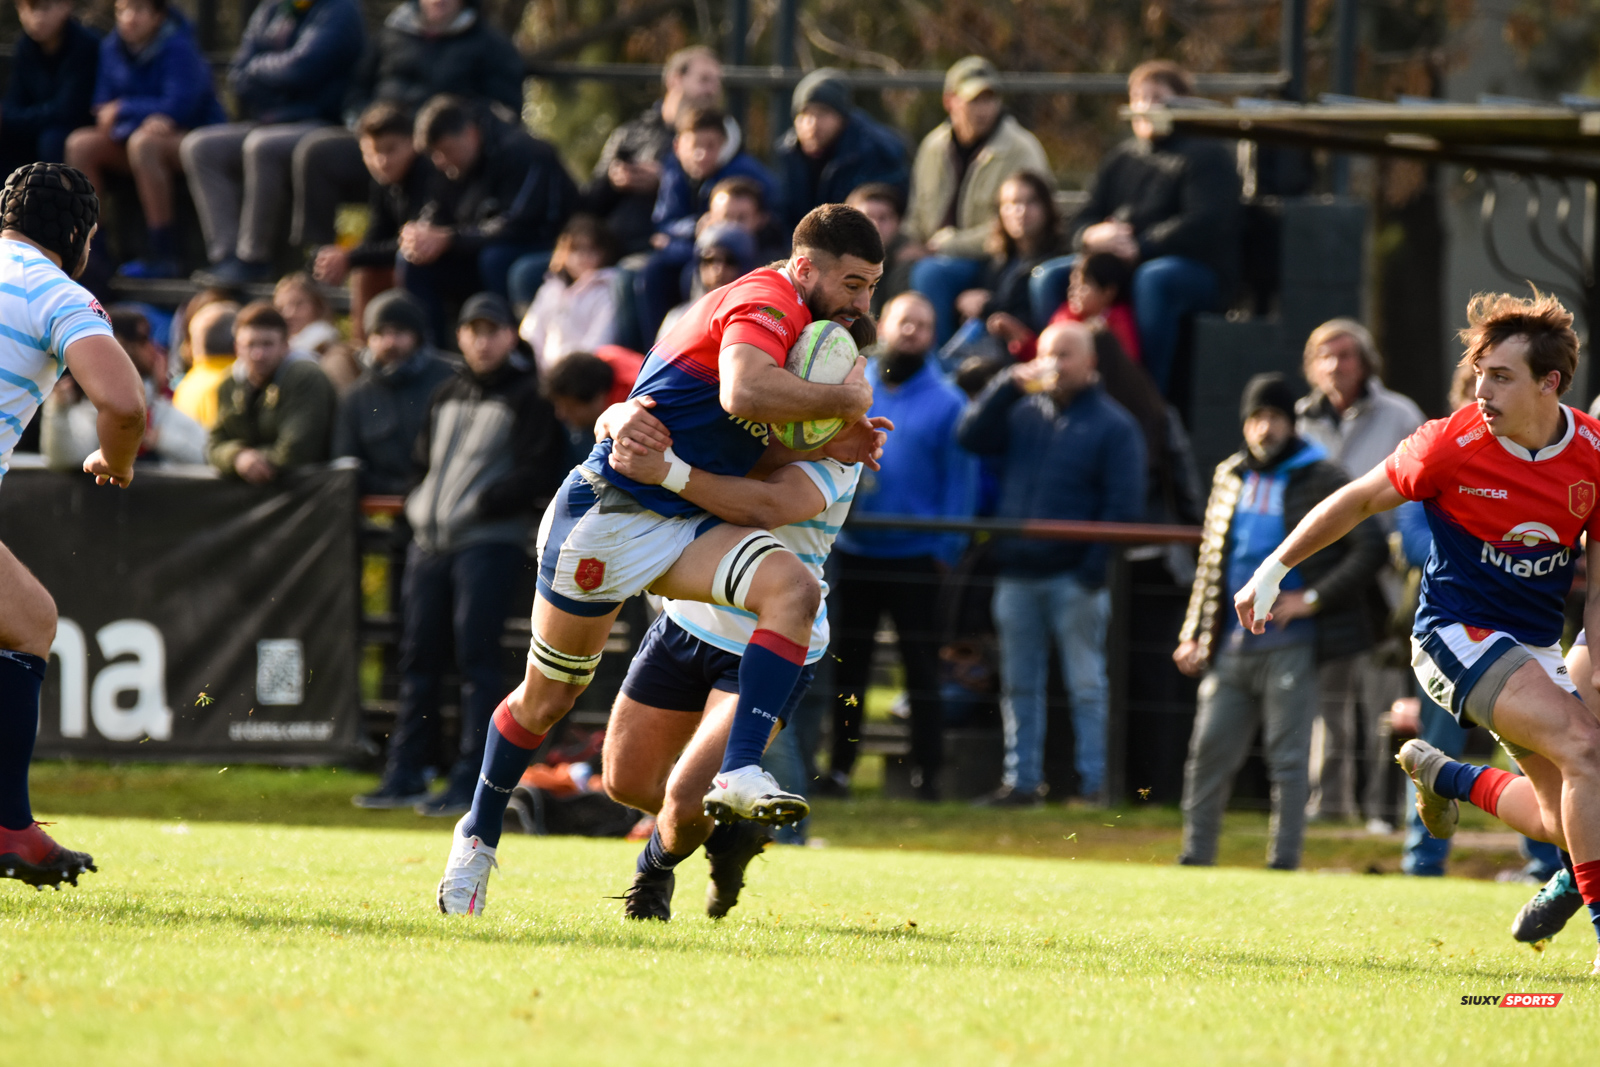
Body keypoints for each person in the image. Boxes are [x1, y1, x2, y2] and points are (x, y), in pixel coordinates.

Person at [433, 204, 888, 915]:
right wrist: (846, 397)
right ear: (805, 269)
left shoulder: (802, 335)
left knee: (794, 589)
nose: (864, 303)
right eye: (855, 284)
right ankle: (478, 834)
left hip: (681, 525)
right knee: (546, 700)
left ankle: (738, 773)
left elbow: (730, 433)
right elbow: (740, 391)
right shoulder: (768, 299)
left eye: (871, 287)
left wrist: (821, 440)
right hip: (607, 518)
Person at [1234, 293, 1600, 972]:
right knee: (1584, 748)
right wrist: (1274, 568)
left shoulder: (1591, 454)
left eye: (1501, 376)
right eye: (1481, 371)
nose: (1481, 389)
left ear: (1550, 384)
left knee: (1569, 816)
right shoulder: (1449, 442)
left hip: (1535, 645)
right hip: (1452, 634)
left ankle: (1450, 776)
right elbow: (1360, 498)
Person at [596, 403, 861, 919]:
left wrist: (668, 469)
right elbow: (634, 429)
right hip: (685, 626)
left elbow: (763, 503)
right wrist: (617, 415)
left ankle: (651, 876)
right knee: (623, 782)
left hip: (770, 646)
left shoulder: (844, 447)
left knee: (683, 795)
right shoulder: (730, 415)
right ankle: (730, 837)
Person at [355, 293, 566, 815]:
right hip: (431, 543)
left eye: (491, 329)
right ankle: (406, 771)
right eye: (472, 329)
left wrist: (488, 501)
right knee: (417, 660)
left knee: (478, 662)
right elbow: (423, 463)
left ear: (510, 336)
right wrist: (420, 506)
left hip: (487, 543)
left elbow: (541, 468)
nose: (481, 339)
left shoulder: (530, 397)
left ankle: (471, 777)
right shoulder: (446, 392)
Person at [0, 162, 147, 889]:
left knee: (27, 617)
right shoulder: (52, 289)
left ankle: (9, 822)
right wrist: (115, 462)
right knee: (29, 623)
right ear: (80, 236)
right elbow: (123, 404)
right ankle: (7, 822)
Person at [1175, 373, 1382, 869]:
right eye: (1255, 418)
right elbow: (1211, 563)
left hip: (1292, 642)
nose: (1264, 429)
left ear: (1291, 423)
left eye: (1274, 418)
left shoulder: (1322, 475)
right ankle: (1194, 857)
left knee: (1288, 761)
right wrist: (1194, 631)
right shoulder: (1230, 475)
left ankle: (1283, 863)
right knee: (1207, 754)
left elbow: (1372, 544)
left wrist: (1312, 598)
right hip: (1231, 643)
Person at [955, 321, 1147, 804]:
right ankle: (1022, 785)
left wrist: (1089, 572)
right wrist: (1006, 385)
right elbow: (970, 437)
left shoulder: (1115, 425)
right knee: (1019, 685)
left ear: (1091, 362)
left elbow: (1124, 507)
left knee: (1086, 686)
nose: (1055, 366)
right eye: (1047, 355)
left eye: (1065, 355)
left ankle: (1095, 785)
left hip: (1073, 580)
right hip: (1018, 573)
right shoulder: (1022, 412)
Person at [827, 291, 977, 800]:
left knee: (921, 673)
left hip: (917, 557)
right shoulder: (855, 384)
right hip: (855, 551)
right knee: (849, 669)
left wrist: (946, 552)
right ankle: (841, 768)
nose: (911, 331)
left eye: (923, 324)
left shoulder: (950, 401)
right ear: (882, 324)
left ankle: (927, 775)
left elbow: (962, 485)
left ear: (934, 335)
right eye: (903, 321)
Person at [1293, 319, 1425, 831]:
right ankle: (1329, 808)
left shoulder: (1400, 415)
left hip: (1387, 586)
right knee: (1329, 703)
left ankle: (1385, 812)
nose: (1334, 365)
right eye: (1323, 355)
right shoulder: (1301, 421)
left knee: (1386, 704)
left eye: (1345, 355)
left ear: (1365, 360)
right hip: (1326, 580)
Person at [1044, 60, 1240, 395]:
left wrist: (1142, 246)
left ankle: (1147, 396)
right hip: (1117, 264)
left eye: (1158, 98)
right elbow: (1081, 218)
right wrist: (1092, 235)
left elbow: (1204, 221)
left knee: (1153, 279)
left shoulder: (1207, 156)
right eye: (1139, 98)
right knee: (1050, 277)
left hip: (1193, 271)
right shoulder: (1122, 159)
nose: (1146, 107)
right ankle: (1055, 380)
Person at [289, 0, 526, 255]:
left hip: (436, 147)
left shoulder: (489, 43)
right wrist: (363, 123)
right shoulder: (391, 33)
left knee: (428, 172)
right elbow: (357, 89)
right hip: (380, 135)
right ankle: (318, 258)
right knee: (316, 153)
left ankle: (408, 250)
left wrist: (441, 129)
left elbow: (503, 108)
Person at [179, 0, 365, 287]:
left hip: (319, 122)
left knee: (262, 146)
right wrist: (271, 72)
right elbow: (238, 75)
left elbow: (303, 69)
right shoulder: (271, 9)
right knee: (201, 146)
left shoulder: (339, 10)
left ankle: (253, 259)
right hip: (268, 119)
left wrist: (260, 70)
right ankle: (226, 256)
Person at [64, 0, 225, 278]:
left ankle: (164, 252)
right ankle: (93, 250)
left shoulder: (180, 47)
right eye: (122, 11)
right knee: (81, 144)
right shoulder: (111, 48)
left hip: (191, 136)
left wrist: (125, 109)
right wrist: (138, 115)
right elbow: (102, 107)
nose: (129, 18)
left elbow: (179, 106)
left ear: (158, 16)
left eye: (138, 10)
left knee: (144, 145)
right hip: (132, 133)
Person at [400, 95, 578, 346]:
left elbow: (516, 225)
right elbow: (436, 210)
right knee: (414, 262)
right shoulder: (449, 166)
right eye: (435, 155)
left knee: (495, 259)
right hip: (479, 242)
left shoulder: (522, 151)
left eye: (446, 151)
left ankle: (511, 350)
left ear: (471, 134)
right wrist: (420, 234)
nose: (441, 162)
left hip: (541, 241)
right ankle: (431, 357)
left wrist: (450, 239)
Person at [902, 56, 1051, 346]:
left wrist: (947, 245)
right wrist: (907, 244)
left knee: (931, 274)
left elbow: (1027, 221)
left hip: (995, 258)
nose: (984, 110)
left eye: (990, 100)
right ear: (950, 101)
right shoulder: (932, 146)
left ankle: (936, 368)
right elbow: (917, 211)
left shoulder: (1022, 149)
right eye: (974, 100)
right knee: (890, 267)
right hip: (934, 251)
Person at [635, 107, 778, 340]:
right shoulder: (674, 173)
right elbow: (664, 224)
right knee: (652, 272)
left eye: (711, 146)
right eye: (695, 146)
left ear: (724, 146)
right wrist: (695, 230)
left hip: (747, 250)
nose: (701, 154)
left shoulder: (744, 172)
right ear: (679, 146)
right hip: (692, 248)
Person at [578, 46, 733, 256]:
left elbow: (723, 198)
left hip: (666, 248)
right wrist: (613, 180)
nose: (713, 90)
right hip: (606, 248)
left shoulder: (728, 137)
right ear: (675, 80)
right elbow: (590, 202)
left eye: (717, 82)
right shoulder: (633, 131)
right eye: (704, 80)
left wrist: (664, 181)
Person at [311, 102, 437, 345]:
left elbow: (410, 245)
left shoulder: (428, 175)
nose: (381, 161)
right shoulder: (383, 181)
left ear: (413, 143)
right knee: (365, 268)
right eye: (371, 152)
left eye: (391, 150)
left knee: (390, 263)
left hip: (436, 263)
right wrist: (346, 258)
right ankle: (364, 347)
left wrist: (350, 257)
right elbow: (377, 235)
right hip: (404, 258)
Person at [42, 305, 206, 468]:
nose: (152, 348)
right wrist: (58, 411)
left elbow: (208, 454)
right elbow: (65, 461)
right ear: (117, 343)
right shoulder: (86, 412)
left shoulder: (161, 413)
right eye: (142, 339)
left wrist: (163, 440)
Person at [332, 289, 453, 497]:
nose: (389, 342)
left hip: (447, 501)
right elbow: (346, 465)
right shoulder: (355, 398)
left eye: (399, 332)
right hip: (386, 508)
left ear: (417, 335)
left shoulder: (450, 380)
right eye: (380, 334)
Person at [939, 170, 1064, 369]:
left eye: (1031, 202)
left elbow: (1029, 315)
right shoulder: (999, 261)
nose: (1020, 211)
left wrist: (986, 307)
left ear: (1047, 207)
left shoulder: (1057, 262)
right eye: (1011, 204)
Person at [207, 302, 336, 483]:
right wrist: (237, 457)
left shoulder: (305, 377)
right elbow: (214, 445)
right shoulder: (229, 384)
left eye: (267, 344)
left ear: (286, 345)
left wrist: (251, 460)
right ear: (237, 348)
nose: (258, 354)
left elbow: (296, 451)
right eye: (250, 344)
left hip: (306, 492)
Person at [774, 68, 908, 229]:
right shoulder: (789, 152)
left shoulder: (877, 151)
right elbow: (783, 216)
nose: (812, 124)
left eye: (823, 113)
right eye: (805, 113)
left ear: (843, 117)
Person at [1, 0, 100, 177]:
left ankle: (53, 201)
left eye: (45, 9)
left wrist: (15, 117)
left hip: (71, 127)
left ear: (66, 7)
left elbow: (68, 109)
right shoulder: (25, 46)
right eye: (29, 10)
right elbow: (14, 99)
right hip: (35, 123)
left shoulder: (85, 45)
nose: (37, 17)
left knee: (51, 140)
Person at [518, 216, 621, 372]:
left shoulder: (606, 292)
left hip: (580, 376)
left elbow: (600, 341)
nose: (582, 257)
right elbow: (531, 334)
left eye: (591, 250)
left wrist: (567, 372)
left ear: (604, 253)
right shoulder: (549, 290)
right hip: (543, 377)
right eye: (575, 249)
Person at [656, 223, 758, 341]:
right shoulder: (678, 318)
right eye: (709, 260)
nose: (718, 271)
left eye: (730, 261)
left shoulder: (758, 319)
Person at [541, 348, 643, 463]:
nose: (561, 414)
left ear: (597, 398)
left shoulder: (633, 415)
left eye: (569, 408)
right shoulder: (605, 357)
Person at [847, 183, 910, 316]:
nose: (875, 225)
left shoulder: (909, 259)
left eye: (883, 218)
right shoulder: (833, 258)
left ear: (898, 223)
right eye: (867, 217)